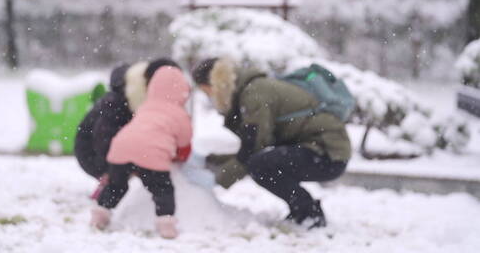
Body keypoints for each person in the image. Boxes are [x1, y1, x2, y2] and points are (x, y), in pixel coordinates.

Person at [191, 58, 351, 229]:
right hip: (323, 150)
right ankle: (303, 210)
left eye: (205, 91)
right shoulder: (252, 89)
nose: (208, 97)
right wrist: (213, 161)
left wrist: (216, 179)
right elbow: (252, 146)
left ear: (215, 83)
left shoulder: (254, 94)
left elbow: (253, 148)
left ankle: (309, 213)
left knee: (260, 166)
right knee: (262, 163)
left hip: (327, 153)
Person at [90, 66, 192, 239]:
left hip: (120, 148)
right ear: (183, 90)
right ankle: (166, 224)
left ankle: (100, 214)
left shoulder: (145, 106)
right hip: (152, 155)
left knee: (116, 185)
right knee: (162, 189)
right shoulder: (179, 113)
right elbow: (184, 140)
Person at [74, 59, 180, 198]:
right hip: (93, 153)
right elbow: (104, 138)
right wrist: (115, 168)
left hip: (103, 146)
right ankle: (109, 186)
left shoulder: (133, 93)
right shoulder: (118, 102)